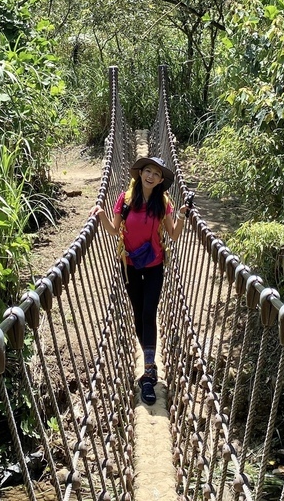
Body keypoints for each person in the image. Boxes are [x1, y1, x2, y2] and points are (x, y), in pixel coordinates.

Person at [90, 156, 188, 406]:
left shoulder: (163, 202)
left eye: (156, 173)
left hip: (155, 265)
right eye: (147, 171)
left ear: (160, 181)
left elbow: (174, 234)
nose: (151, 176)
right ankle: (148, 359)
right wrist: (100, 214)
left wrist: (184, 216)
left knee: (148, 313)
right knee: (136, 314)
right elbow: (114, 230)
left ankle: (148, 370)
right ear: (140, 174)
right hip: (130, 264)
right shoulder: (125, 200)